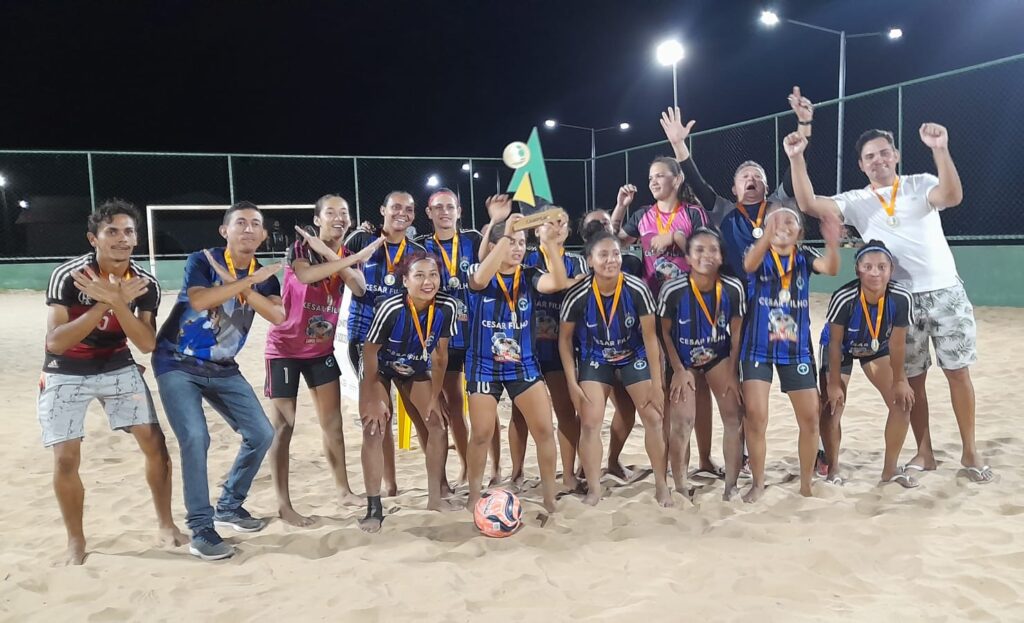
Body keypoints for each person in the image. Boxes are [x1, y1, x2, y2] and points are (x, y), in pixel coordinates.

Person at [785, 122, 992, 483]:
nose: (878, 160)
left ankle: (970, 452)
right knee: (913, 381)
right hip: (899, 301)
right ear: (861, 165)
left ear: (895, 155)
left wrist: (940, 148)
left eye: (884, 152)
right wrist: (796, 157)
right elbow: (809, 204)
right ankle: (924, 452)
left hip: (945, 291)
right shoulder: (856, 201)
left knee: (958, 373)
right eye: (870, 156)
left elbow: (952, 195)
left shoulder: (920, 183)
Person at [658, 90, 814, 478]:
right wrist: (679, 146)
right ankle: (741, 457)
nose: (752, 180)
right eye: (745, 177)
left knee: (806, 385)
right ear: (734, 188)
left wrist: (803, 125)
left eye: (757, 177)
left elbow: (792, 168)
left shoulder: (779, 206)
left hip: (784, 309)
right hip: (741, 310)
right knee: (743, 387)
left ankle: (819, 452)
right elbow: (697, 182)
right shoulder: (724, 211)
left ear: (767, 186)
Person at [39, 199, 186, 565]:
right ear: (94, 239)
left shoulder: (145, 284)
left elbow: (147, 344)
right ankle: (76, 540)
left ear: (137, 238)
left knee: (155, 444)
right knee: (66, 458)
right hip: (65, 369)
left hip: (118, 365)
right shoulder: (69, 276)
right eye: (112, 232)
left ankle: (166, 524)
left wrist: (119, 303)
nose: (122, 239)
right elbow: (56, 342)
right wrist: (103, 303)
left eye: (129, 232)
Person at [153, 201, 284, 560]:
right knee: (196, 437)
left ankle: (229, 505)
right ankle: (201, 528)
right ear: (225, 230)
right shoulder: (202, 260)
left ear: (263, 234)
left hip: (223, 366)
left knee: (261, 433)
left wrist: (247, 283)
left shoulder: (265, 275)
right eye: (240, 222)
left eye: (255, 224)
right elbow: (199, 300)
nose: (248, 229)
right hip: (176, 360)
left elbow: (277, 315)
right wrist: (245, 283)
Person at [264, 194, 383, 526]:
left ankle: (343, 491)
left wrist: (341, 257)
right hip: (285, 349)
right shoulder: (300, 248)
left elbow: (359, 288)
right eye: (331, 212)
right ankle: (284, 504)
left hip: (320, 350)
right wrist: (350, 259)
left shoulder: (343, 255)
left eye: (344, 213)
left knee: (333, 424)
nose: (338, 218)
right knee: (283, 427)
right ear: (317, 220)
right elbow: (305, 277)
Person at [464, 200, 572, 513]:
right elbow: (479, 280)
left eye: (522, 243)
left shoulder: (529, 274)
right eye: (512, 242)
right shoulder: (477, 271)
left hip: (523, 365)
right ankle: (473, 496)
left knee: (544, 430)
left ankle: (549, 497)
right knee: (481, 434)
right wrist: (505, 232)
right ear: (496, 245)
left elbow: (558, 283)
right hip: (483, 366)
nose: (518, 248)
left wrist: (549, 245)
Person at [560, 221, 671, 506]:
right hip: (596, 358)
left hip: (632, 355)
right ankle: (595, 489)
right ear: (590, 261)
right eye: (603, 255)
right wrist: (572, 382)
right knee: (590, 422)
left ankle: (662, 485)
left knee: (654, 418)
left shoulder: (637, 289)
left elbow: (651, 338)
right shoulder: (578, 294)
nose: (611, 260)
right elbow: (564, 340)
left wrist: (657, 384)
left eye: (616, 254)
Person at [740, 203, 840, 502]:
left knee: (810, 419)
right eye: (775, 221)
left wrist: (832, 241)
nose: (782, 226)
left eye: (789, 222)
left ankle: (806, 484)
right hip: (758, 348)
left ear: (800, 232)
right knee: (756, 417)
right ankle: (758, 483)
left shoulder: (804, 257)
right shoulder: (758, 254)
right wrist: (766, 234)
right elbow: (749, 265)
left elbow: (831, 268)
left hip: (796, 350)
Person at [359, 253, 461, 531]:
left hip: (413, 365)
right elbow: (369, 352)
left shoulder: (447, 306)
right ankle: (373, 507)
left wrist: (435, 396)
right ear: (405, 281)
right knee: (374, 427)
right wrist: (372, 397)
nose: (428, 282)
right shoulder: (391, 308)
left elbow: (440, 356)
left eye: (433, 275)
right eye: (419, 275)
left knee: (438, 423)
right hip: (379, 367)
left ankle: (435, 498)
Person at [343, 191, 426, 496]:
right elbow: (337, 267)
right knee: (379, 416)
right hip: (365, 340)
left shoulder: (417, 250)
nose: (402, 213)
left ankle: (438, 485)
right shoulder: (360, 241)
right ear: (382, 210)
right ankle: (388, 486)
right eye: (395, 207)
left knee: (422, 414)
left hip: (404, 342)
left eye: (409, 209)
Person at [820, 241, 918, 487]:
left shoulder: (901, 298)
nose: (875, 272)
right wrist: (834, 383)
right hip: (841, 348)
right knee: (833, 406)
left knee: (902, 404)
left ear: (891, 270)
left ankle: (890, 470)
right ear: (857, 270)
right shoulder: (844, 297)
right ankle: (833, 469)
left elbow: (897, 343)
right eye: (868, 267)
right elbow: (834, 343)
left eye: (882, 267)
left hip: (876, 346)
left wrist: (900, 380)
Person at [657, 227, 746, 500]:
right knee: (682, 421)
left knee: (734, 417)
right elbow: (663, 332)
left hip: (718, 356)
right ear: (687, 258)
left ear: (721, 256)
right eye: (699, 250)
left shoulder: (732, 288)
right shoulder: (673, 289)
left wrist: (732, 373)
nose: (706, 255)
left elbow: (736, 334)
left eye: (713, 250)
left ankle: (731, 486)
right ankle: (681, 486)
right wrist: (677, 370)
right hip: (683, 359)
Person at [506, 213, 586, 491]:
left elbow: (580, 286)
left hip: (559, 344)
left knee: (565, 409)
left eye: (561, 223)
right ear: (535, 229)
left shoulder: (575, 260)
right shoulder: (526, 257)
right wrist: (568, 282)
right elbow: (564, 283)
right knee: (519, 414)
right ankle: (516, 473)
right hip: (526, 345)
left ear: (568, 230)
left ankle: (568, 474)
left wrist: (568, 281)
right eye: (548, 223)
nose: (555, 228)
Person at [416, 188, 482, 485]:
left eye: (450, 206)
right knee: (454, 404)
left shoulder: (474, 240)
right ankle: (466, 466)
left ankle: (493, 469)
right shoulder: (421, 246)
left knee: (482, 405)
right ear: (429, 213)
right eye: (438, 207)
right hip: (444, 338)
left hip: (477, 334)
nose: (445, 212)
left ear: (459, 211)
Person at [581, 209, 642, 480]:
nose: (601, 227)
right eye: (594, 224)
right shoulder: (579, 269)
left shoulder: (629, 263)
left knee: (627, 412)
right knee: (588, 415)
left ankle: (613, 461)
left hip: (626, 349)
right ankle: (584, 467)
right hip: (592, 351)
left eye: (605, 222)